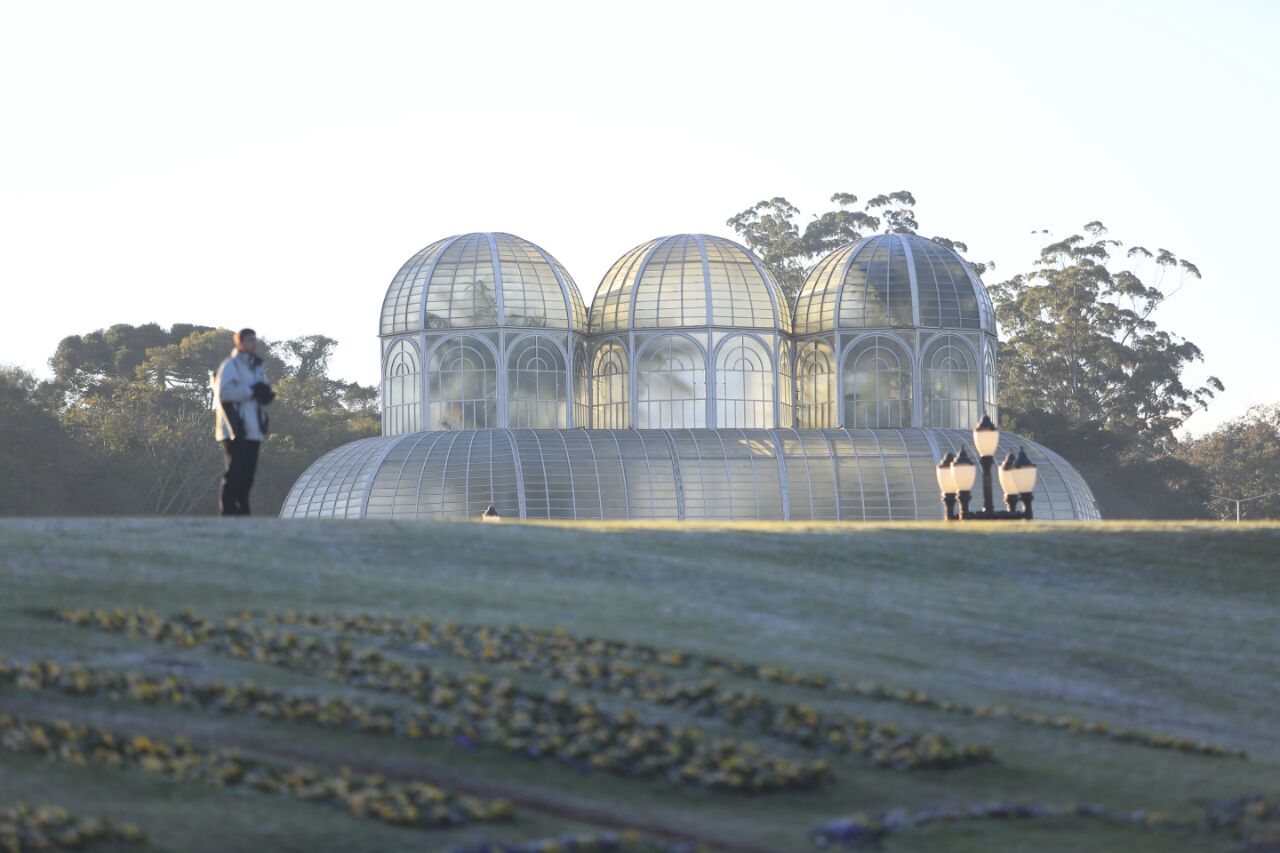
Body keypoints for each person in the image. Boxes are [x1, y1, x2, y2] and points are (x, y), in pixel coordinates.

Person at [213, 328, 274, 516]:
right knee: (234, 472)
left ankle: (243, 512)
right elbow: (223, 393)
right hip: (235, 428)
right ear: (239, 343)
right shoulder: (231, 365)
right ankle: (229, 512)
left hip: (254, 429)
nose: (253, 344)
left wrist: (265, 394)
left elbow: (262, 392)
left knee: (248, 475)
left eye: (255, 340)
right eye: (249, 341)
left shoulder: (257, 366)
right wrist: (251, 391)